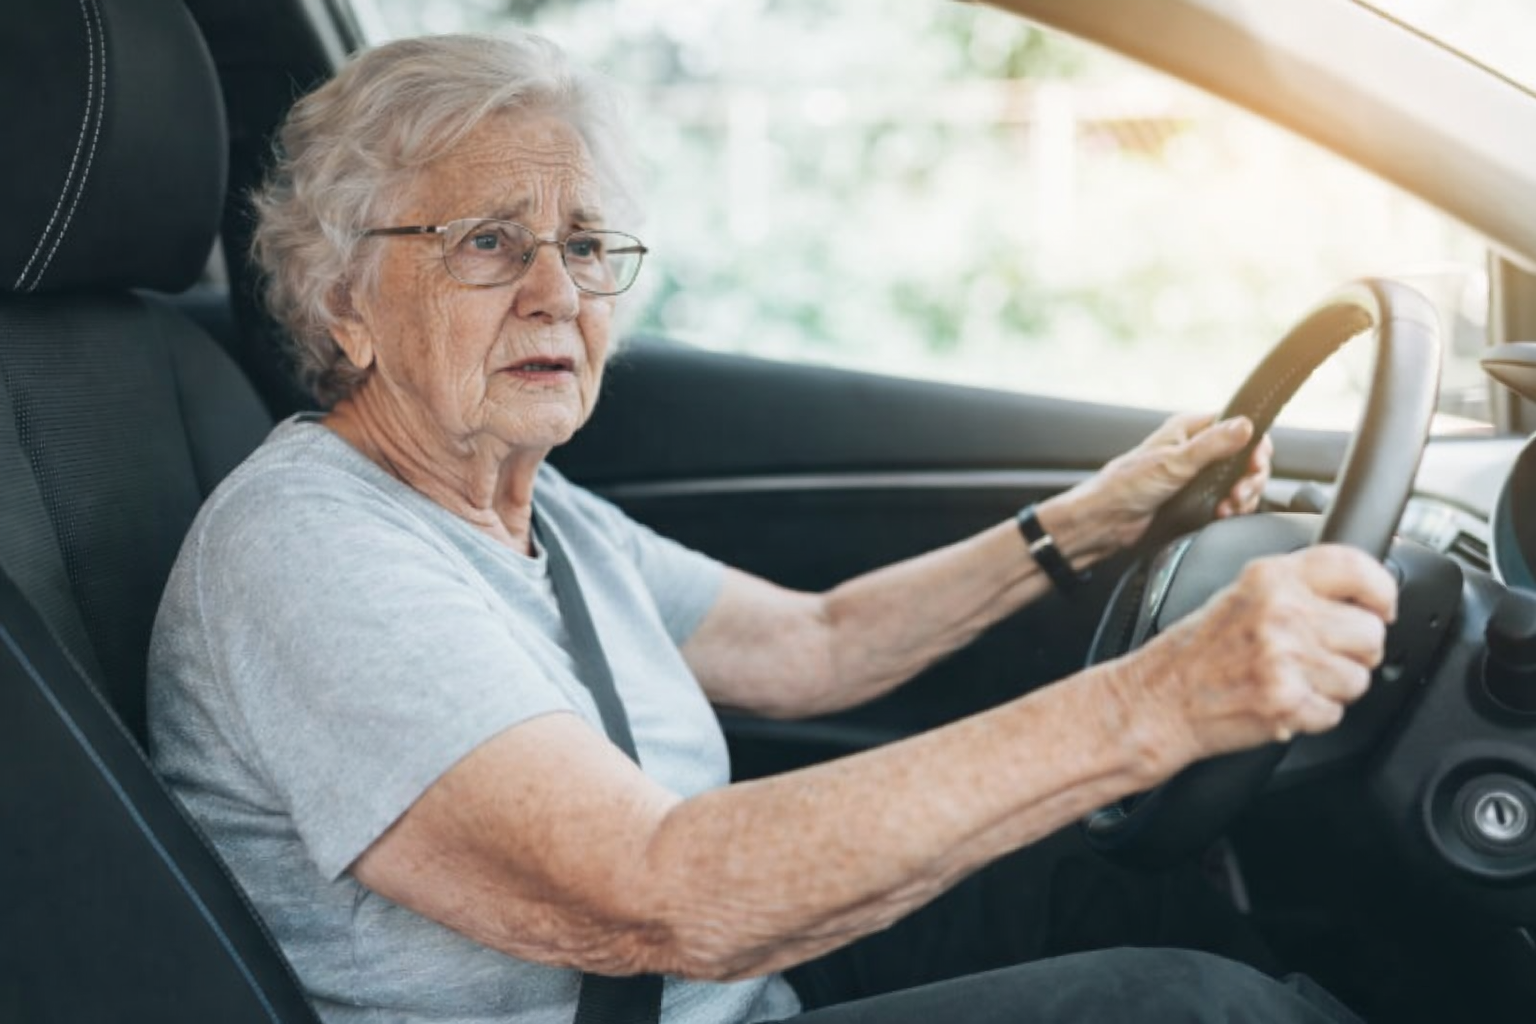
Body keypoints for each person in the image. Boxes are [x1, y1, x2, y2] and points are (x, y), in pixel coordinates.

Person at [147, 31, 1395, 1024]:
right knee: (1188, 1011)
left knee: (1096, 885)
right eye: (489, 243)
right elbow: (652, 895)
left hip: (725, 991)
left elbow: (817, 644)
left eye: (586, 243)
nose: (557, 291)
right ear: (343, 300)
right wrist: (1155, 706)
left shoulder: (536, 510)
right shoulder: (309, 549)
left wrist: (1089, 517)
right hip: (673, 968)